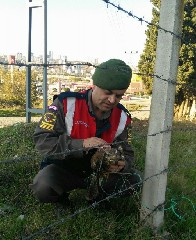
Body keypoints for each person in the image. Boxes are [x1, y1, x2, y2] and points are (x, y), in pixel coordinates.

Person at [30, 59, 141, 204]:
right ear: (94, 85)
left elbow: (127, 151)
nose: (112, 100)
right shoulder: (65, 103)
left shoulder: (122, 117)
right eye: (108, 93)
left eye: (119, 96)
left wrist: (122, 164)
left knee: (136, 180)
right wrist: (81, 144)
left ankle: (98, 198)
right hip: (64, 166)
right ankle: (61, 199)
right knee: (43, 186)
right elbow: (42, 140)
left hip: (101, 171)